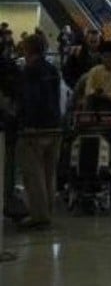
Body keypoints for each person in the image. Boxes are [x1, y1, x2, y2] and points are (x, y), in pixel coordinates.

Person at [14, 34, 63, 229]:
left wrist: (26, 122)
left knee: (33, 174)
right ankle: (47, 211)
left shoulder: (30, 71)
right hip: (54, 126)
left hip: (35, 129)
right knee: (49, 173)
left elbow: (31, 99)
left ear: (28, 49)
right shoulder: (52, 69)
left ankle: (39, 216)